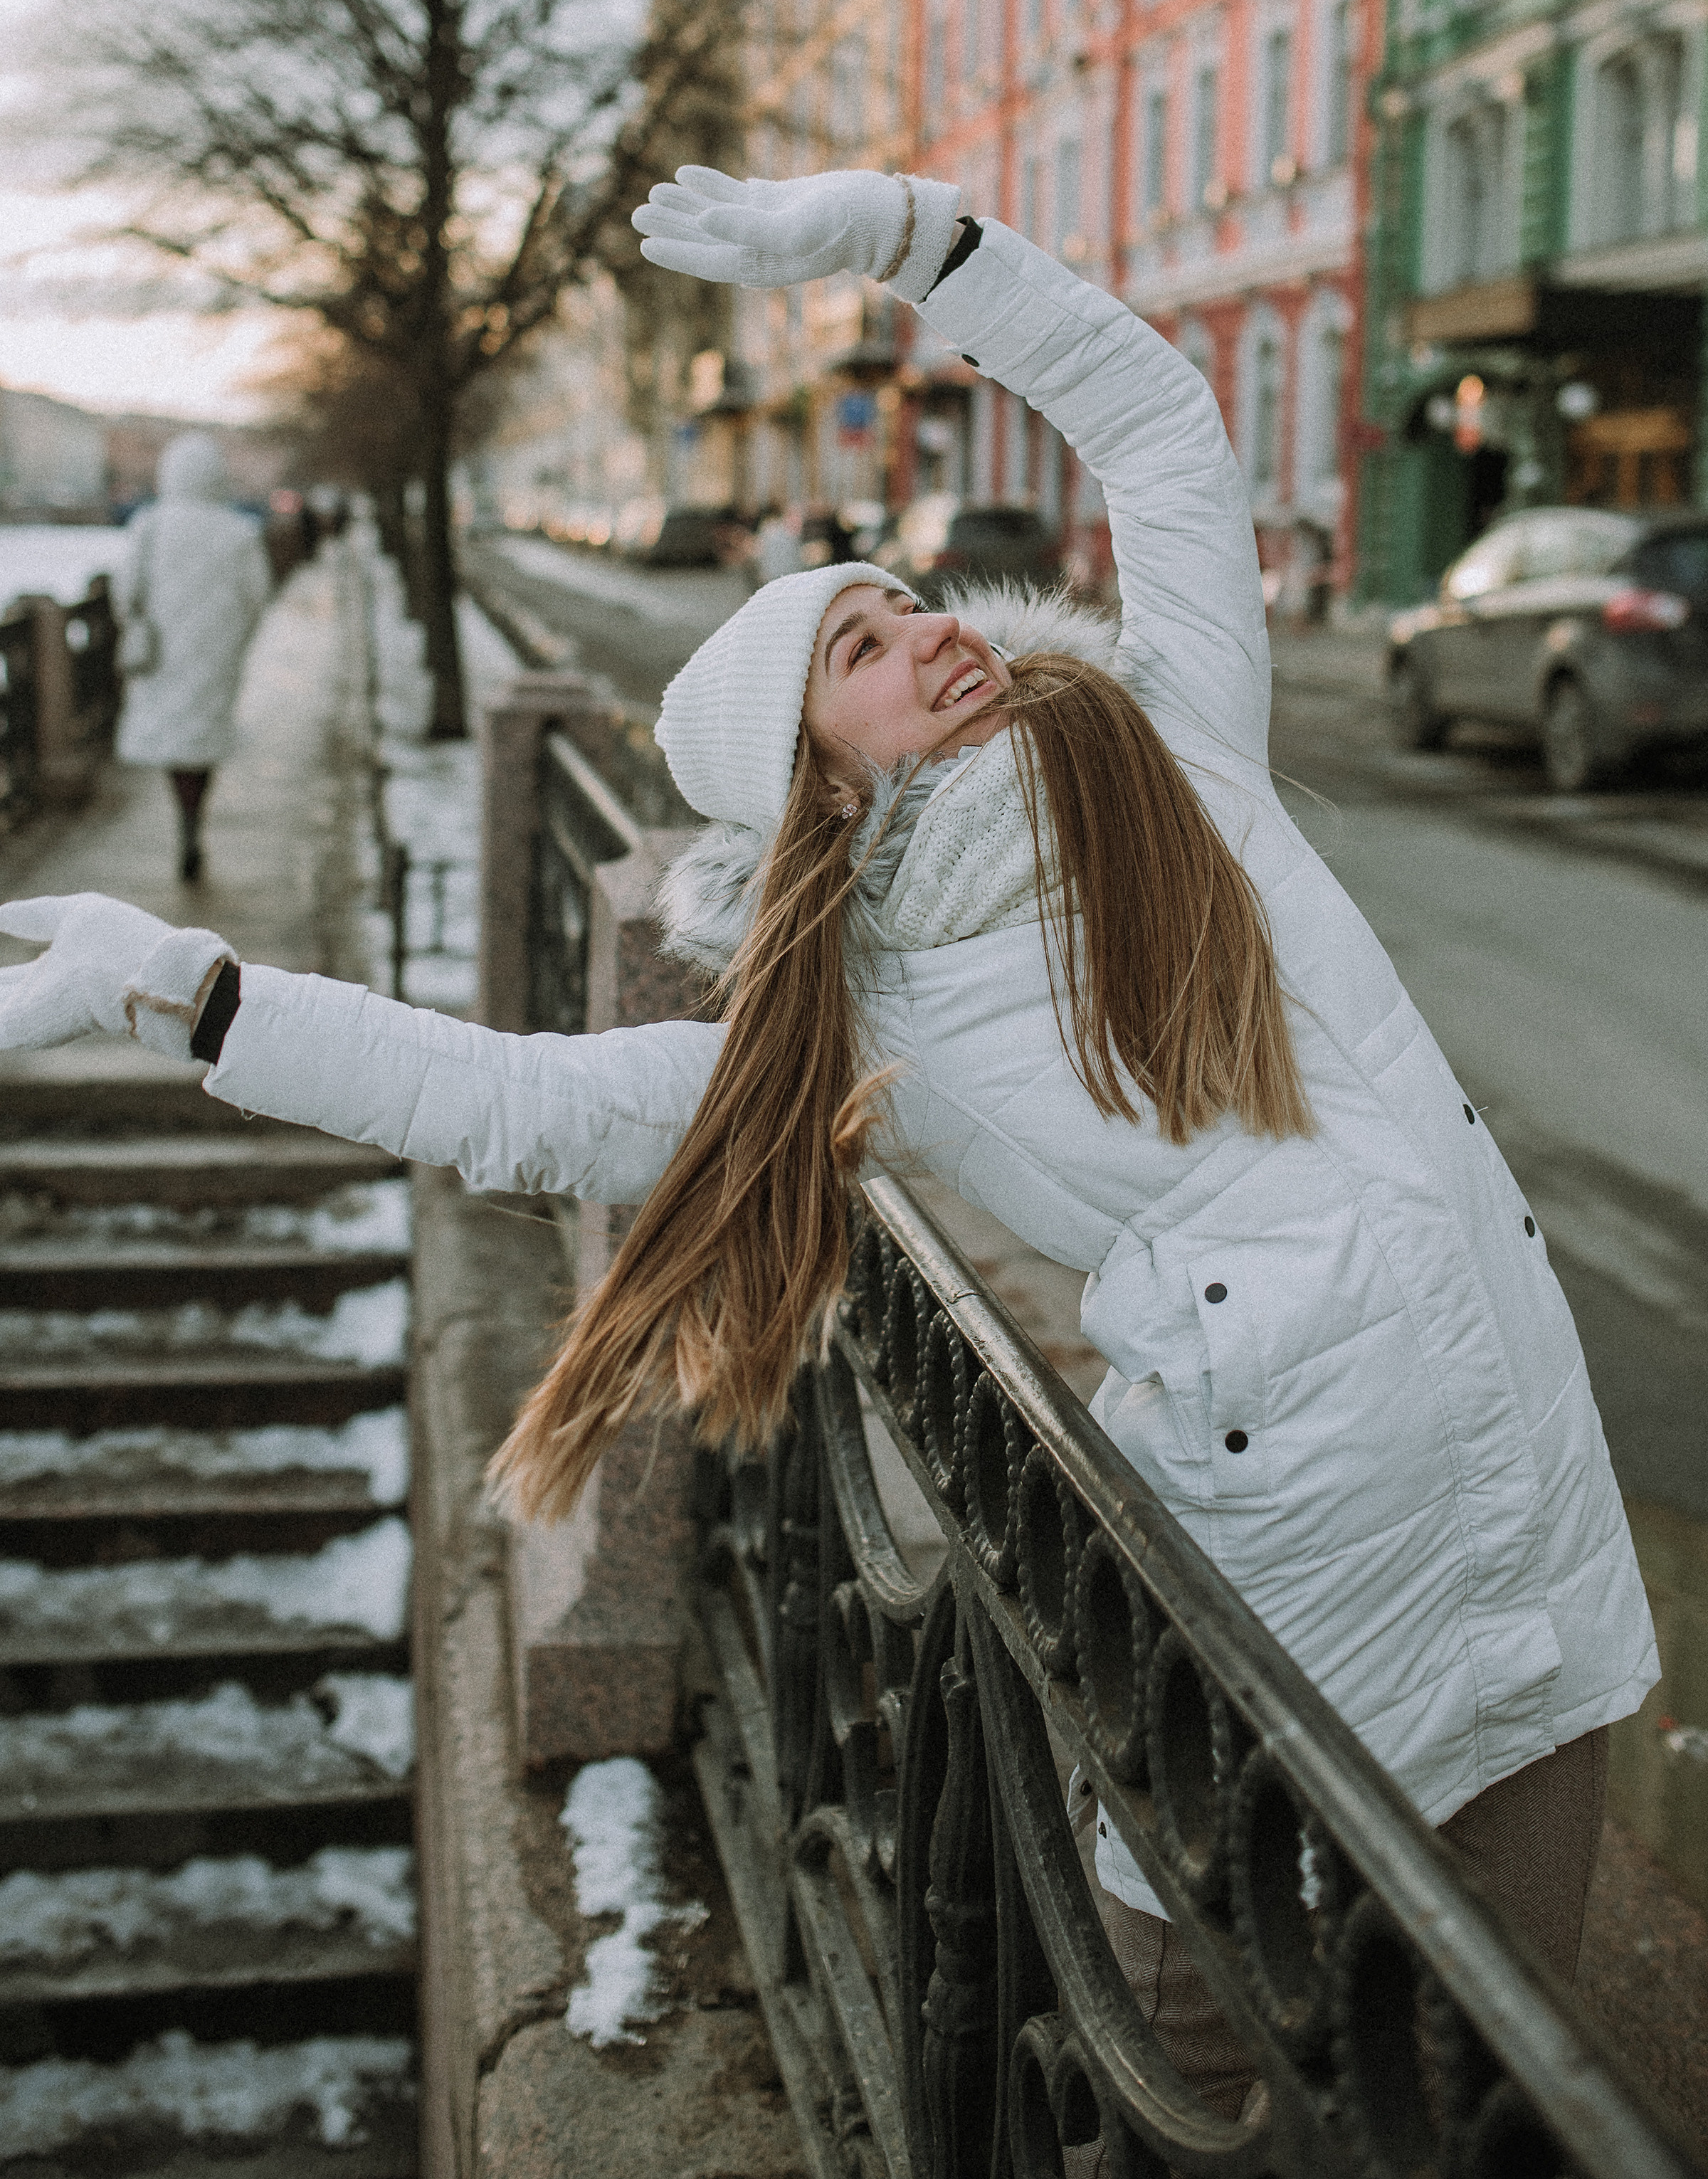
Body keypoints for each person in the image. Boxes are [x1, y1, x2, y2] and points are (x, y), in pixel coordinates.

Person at [0, 169, 1657, 2114]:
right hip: (1296, 1546)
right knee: (1207, 2075)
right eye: (862, 646)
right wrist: (187, 995)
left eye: (908, 600)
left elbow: (1161, 427)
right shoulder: (864, 1012)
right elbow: (520, 1102)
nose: (932, 632)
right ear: (816, 768)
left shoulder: (1171, 740)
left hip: (1532, 1475)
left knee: (1514, 2086)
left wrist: (916, 243)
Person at [114, 433, 273, 882]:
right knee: (204, 737)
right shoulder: (239, 530)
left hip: (163, 651)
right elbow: (258, 594)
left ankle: (184, 816)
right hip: (218, 653)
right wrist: (235, 636)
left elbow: (127, 591)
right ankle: (195, 815)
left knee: (173, 738)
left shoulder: (150, 524)